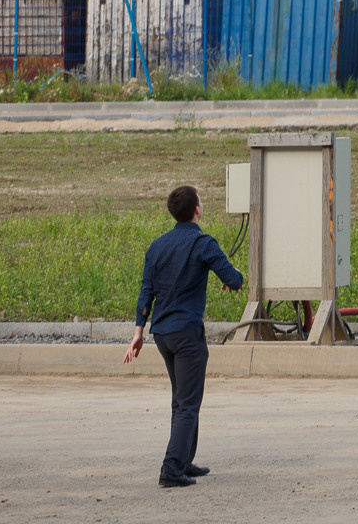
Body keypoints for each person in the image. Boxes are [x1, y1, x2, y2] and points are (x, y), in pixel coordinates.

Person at [123, 185, 244, 487]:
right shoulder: (203, 243)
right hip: (187, 333)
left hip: (162, 334)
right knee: (188, 403)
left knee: (182, 400)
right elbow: (234, 280)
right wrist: (231, 277)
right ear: (197, 211)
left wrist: (138, 332)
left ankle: (185, 461)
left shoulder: (157, 246)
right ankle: (171, 468)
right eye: (201, 201)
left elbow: (145, 292)